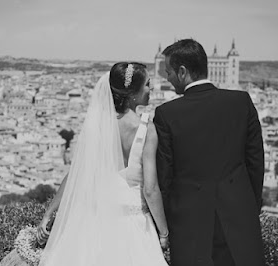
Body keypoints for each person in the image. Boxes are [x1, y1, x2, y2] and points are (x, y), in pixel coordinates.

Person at [37, 62, 169, 266]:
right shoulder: (146, 128)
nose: (151, 89)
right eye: (147, 84)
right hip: (134, 225)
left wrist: (50, 211)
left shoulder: (98, 126)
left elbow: (76, 175)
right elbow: (150, 189)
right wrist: (163, 232)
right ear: (132, 93)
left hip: (95, 223)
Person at [153, 39, 265, 266]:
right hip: (240, 219)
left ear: (182, 72)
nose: (167, 78)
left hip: (190, 227)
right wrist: (249, 207)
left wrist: (165, 229)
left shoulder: (167, 113)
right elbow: (255, 162)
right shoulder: (241, 102)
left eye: (169, 72)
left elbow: (164, 178)